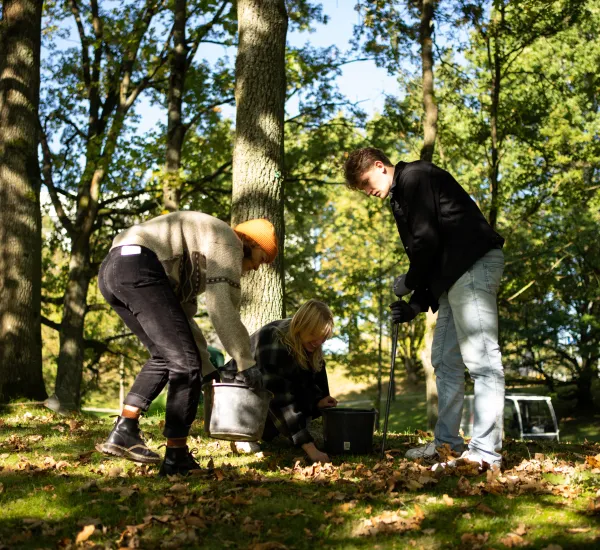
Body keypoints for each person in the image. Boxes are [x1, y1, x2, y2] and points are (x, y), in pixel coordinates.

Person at [343, 147, 505, 470]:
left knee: (482, 361)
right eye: (362, 189)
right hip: (453, 276)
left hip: (472, 267)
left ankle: (487, 453)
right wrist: (414, 306)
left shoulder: (415, 177)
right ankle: (447, 445)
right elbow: (434, 256)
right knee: (445, 361)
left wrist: (409, 280)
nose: (368, 192)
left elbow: (427, 243)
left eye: (365, 182)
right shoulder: (401, 195)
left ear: (379, 166)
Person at [97, 212, 278, 476]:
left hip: (114, 271)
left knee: (164, 355)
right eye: (262, 259)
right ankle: (176, 458)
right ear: (250, 243)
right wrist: (245, 362)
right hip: (139, 266)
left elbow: (184, 323)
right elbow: (222, 307)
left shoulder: (198, 257)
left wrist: (208, 373)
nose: (256, 268)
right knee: (184, 365)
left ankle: (124, 430)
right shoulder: (230, 243)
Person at [223, 299, 337, 464]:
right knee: (273, 399)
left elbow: (312, 384)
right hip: (236, 399)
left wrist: (318, 401)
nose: (318, 342)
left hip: (262, 398)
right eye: (313, 335)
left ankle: (274, 432)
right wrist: (310, 448)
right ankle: (243, 435)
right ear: (301, 325)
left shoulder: (310, 345)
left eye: (323, 338)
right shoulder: (276, 340)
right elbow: (279, 398)